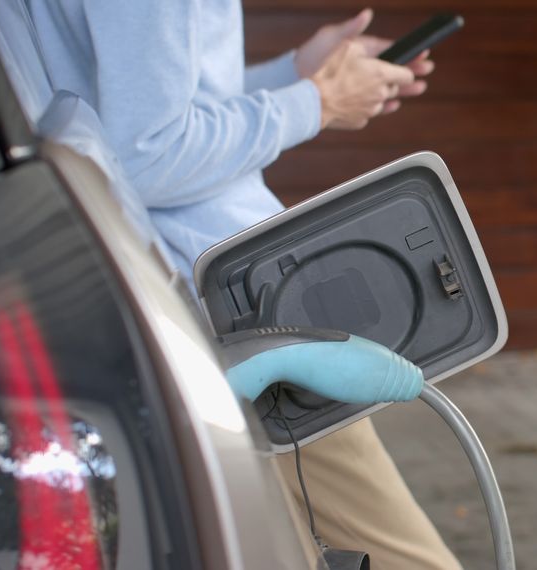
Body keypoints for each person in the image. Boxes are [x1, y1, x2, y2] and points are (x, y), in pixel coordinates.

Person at [26, 2, 461, 568]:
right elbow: (145, 155)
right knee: (408, 558)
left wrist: (296, 73)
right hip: (225, 302)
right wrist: (317, 102)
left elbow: (143, 103)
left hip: (190, 300)